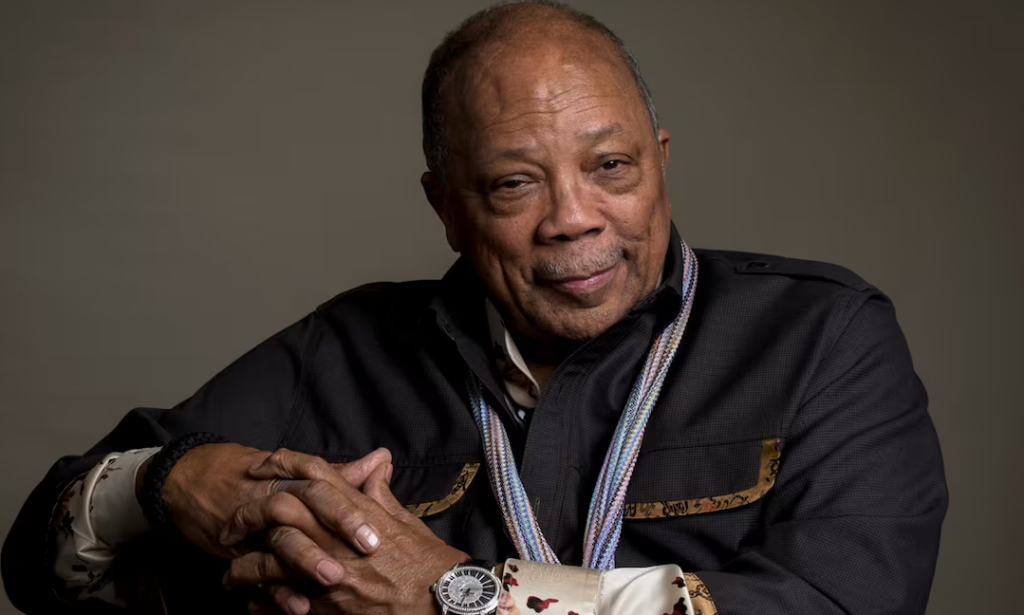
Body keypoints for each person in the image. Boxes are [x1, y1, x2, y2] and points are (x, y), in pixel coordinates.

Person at [1, 2, 947, 614]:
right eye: (513, 184)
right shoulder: (345, 349)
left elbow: (842, 603)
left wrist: (453, 596)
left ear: (660, 159)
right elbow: (38, 559)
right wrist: (169, 480)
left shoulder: (822, 337)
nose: (573, 218)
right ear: (446, 206)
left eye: (611, 167)